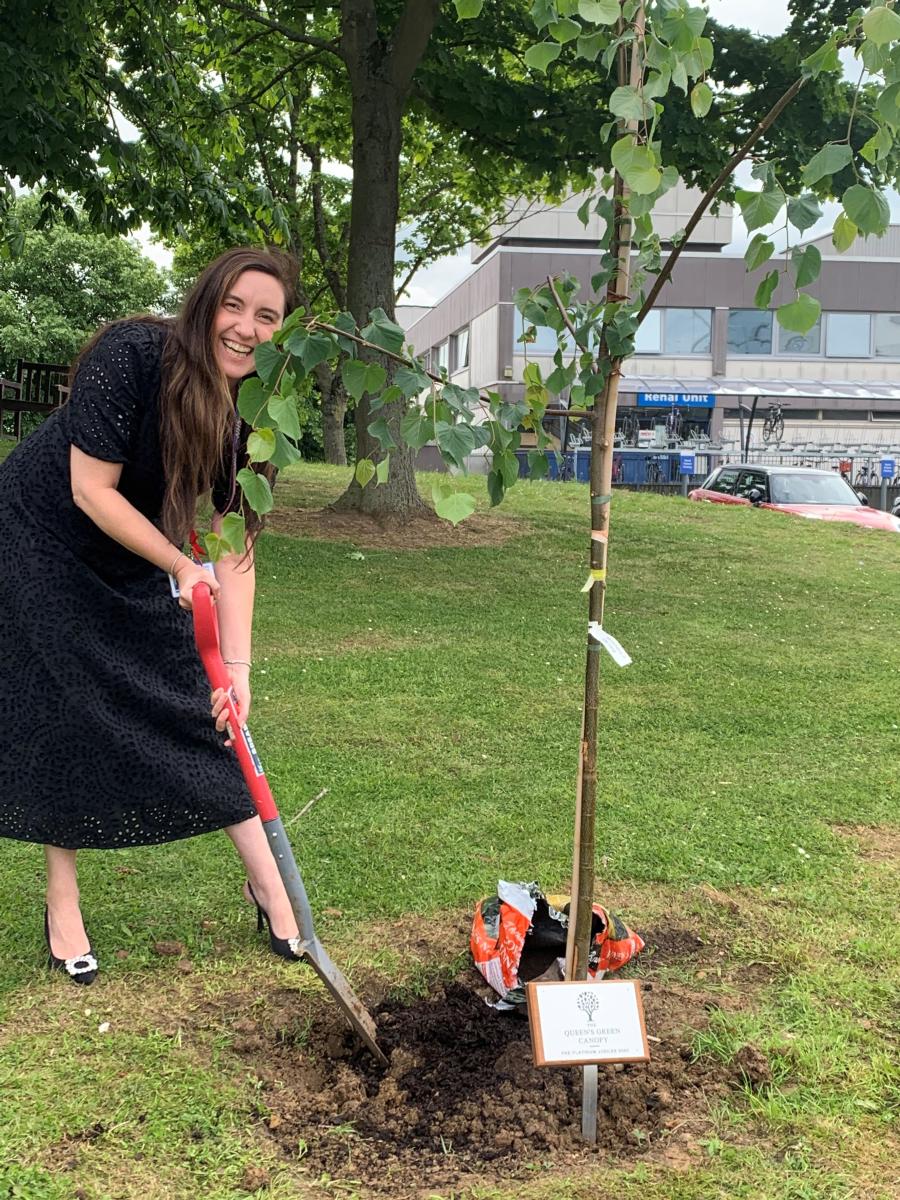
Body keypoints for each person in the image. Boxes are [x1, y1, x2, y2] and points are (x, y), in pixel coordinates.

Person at [0, 247, 303, 985]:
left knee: (203, 704)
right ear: (206, 303)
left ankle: (269, 886)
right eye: (235, 306)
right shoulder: (133, 353)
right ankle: (61, 899)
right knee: (60, 707)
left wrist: (236, 667)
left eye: (268, 317)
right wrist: (176, 564)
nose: (245, 328)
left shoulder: (255, 412)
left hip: (134, 540)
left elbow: (235, 543)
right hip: (39, 531)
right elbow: (89, 489)